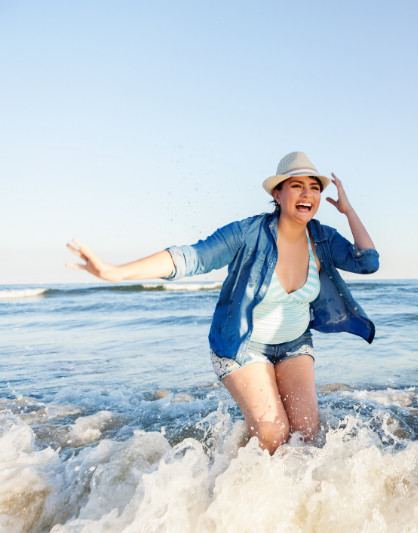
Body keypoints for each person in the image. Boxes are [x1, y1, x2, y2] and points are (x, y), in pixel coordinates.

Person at [66, 151, 378, 454]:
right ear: (278, 195)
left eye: (314, 188)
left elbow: (368, 262)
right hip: (243, 346)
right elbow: (193, 257)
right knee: (274, 433)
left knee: (308, 434)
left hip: (295, 343)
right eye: (297, 185)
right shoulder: (247, 233)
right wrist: (115, 272)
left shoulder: (322, 238)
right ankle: (232, 480)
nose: (307, 193)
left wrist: (348, 211)